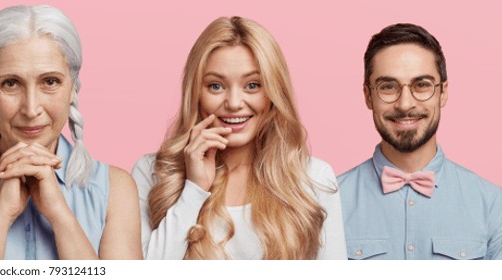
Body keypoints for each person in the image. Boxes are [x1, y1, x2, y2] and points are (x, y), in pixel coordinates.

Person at [0, 5, 141, 260]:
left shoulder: (117, 190)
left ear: (73, 87)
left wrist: (60, 215)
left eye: (50, 82)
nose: (31, 109)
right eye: (11, 83)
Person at [134, 16, 346, 260]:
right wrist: (193, 189)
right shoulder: (153, 173)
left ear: (273, 92)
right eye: (215, 86)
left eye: (253, 85)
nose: (234, 103)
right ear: (196, 93)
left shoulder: (314, 178)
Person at [338, 23, 502, 260]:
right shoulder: (327, 204)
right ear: (368, 96)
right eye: (388, 87)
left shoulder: (492, 206)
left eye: (422, 85)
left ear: (443, 92)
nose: (405, 104)